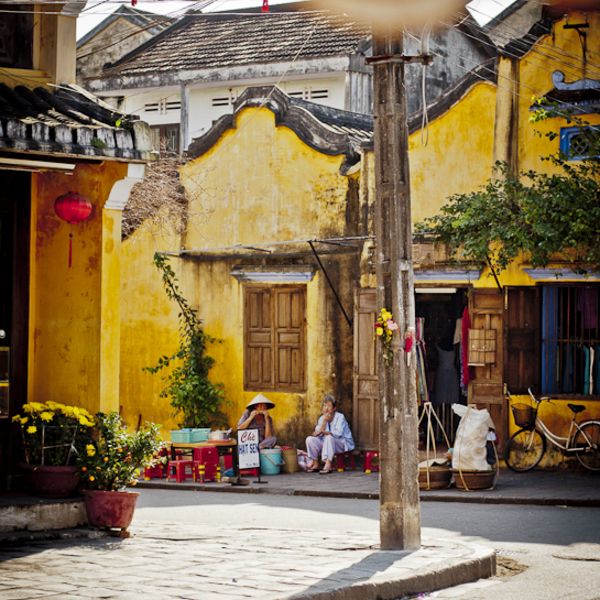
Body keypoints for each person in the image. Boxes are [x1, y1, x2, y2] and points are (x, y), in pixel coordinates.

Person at [305, 394, 354, 474]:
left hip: (342, 443)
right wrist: (324, 423)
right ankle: (315, 463)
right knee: (310, 439)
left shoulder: (340, 417)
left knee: (329, 437)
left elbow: (338, 434)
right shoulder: (322, 418)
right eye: (324, 406)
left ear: (334, 408)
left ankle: (328, 464)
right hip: (327, 443)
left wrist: (323, 432)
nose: (326, 408)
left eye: (328, 406)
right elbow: (317, 433)